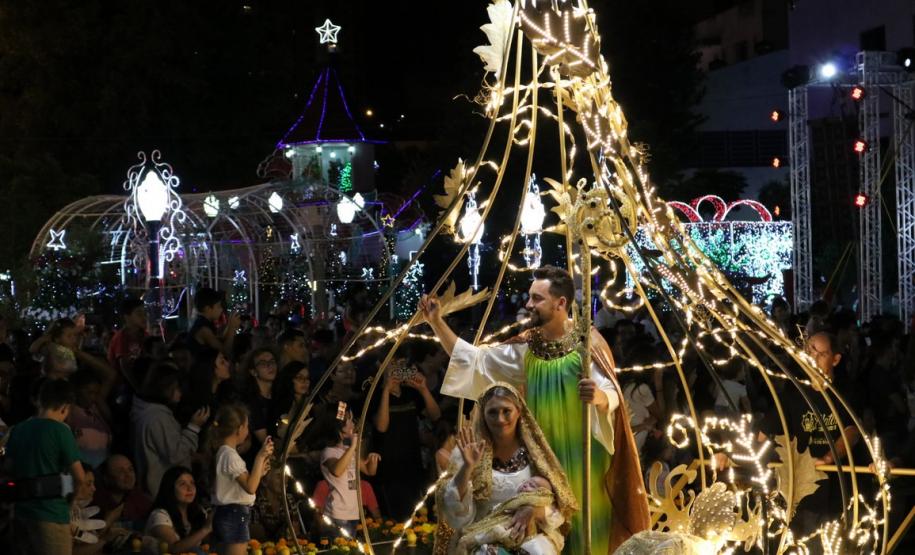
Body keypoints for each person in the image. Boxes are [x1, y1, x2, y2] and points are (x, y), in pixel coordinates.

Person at [420, 265, 649, 553]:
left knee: (587, 525)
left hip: (584, 457)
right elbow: (474, 361)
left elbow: (610, 389)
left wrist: (600, 398)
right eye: (530, 297)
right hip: (541, 455)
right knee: (545, 526)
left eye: (537, 298)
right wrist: (436, 323)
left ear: (560, 303)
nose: (528, 304)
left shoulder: (586, 343)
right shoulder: (527, 346)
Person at [435, 383, 577, 554]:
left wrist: (534, 510)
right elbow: (458, 517)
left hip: (531, 536)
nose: (500, 419)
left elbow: (558, 505)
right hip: (484, 537)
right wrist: (467, 468)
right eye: (492, 412)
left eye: (506, 411)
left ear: (519, 412)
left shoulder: (537, 455)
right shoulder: (469, 450)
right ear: (483, 415)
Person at [6, 378, 86, 555]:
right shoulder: (61, 431)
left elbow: (8, 469)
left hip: (21, 514)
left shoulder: (18, 429)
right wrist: (70, 503)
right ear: (65, 406)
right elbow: (79, 477)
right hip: (51, 515)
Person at [372, 358, 441, 519]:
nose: (398, 368)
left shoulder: (410, 393)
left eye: (402, 364)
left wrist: (423, 389)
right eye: (394, 364)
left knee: (418, 512)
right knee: (397, 516)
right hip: (388, 466)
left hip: (413, 462)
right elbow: (381, 427)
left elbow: (436, 415)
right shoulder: (374, 395)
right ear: (382, 366)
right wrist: (386, 390)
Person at [130, 362, 209, 494]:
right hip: (164, 489)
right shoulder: (157, 418)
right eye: (177, 387)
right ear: (165, 388)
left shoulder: (148, 412)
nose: (180, 392)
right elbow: (175, 454)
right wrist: (194, 427)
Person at [209, 403, 274, 555]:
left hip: (230, 513)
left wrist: (259, 472)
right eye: (246, 426)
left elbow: (243, 483)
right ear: (239, 429)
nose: (247, 431)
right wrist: (260, 456)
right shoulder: (229, 455)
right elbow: (250, 487)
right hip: (233, 514)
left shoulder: (225, 453)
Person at [320, 409, 381, 535]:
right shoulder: (329, 452)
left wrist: (373, 460)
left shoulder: (349, 450)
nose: (354, 424)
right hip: (338, 513)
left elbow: (369, 471)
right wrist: (353, 447)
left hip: (353, 512)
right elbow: (337, 470)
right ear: (340, 430)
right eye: (350, 422)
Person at [146, 466, 212, 554]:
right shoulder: (159, 515)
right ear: (170, 489)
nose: (190, 488)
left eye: (192, 483)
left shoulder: (199, 511)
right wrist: (206, 529)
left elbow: (209, 543)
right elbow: (174, 549)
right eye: (182, 484)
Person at [92, 454, 152, 533]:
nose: (128, 475)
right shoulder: (95, 500)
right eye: (121, 471)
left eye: (130, 469)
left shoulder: (139, 498)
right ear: (107, 478)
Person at [67, 371, 113, 468]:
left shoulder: (96, 408)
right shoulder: (68, 412)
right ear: (76, 390)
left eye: (96, 393)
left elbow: (110, 374)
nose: (93, 397)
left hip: (103, 475)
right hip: (82, 475)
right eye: (89, 392)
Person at [189, 287, 241, 359]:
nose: (221, 309)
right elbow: (225, 353)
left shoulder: (204, 323)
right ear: (207, 308)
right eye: (218, 306)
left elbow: (220, 340)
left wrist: (230, 325)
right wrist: (232, 328)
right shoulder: (204, 329)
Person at [107, 298, 147, 386]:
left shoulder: (145, 335)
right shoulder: (121, 337)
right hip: (124, 384)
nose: (144, 317)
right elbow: (124, 366)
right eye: (139, 314)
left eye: (145, 313)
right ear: (127, 317)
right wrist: (137, 387)